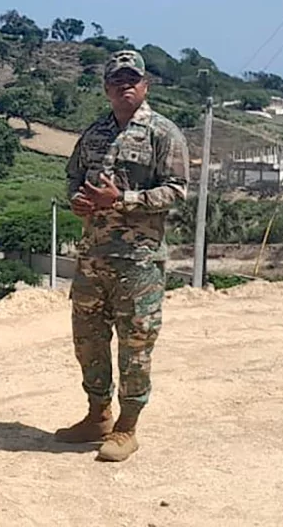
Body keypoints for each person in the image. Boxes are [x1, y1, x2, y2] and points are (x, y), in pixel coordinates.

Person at [56, 49, 190, 462]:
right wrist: (77, 200)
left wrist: (124, 199)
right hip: (93, 257)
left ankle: (127, 426)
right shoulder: (94, 133)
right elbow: (74, 175)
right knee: (89, 340)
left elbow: (178, 190)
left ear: (145, 85)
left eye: (132, 79)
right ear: (106, 88)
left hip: (139, 261)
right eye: (117, 81)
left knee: (135, 345)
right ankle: (97, 415)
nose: (124, 86)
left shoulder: (162, 134)